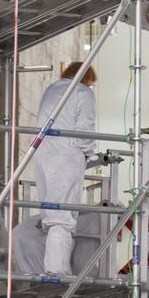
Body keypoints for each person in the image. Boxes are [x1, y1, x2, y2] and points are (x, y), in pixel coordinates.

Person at [34, 61, 97, 276]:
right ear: (87, 78)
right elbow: (85, 130)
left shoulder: (51, 89)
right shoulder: (82, 92)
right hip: (66, 155)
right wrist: (90, 153)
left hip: (43, 154)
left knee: (51, 214)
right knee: (62, 216)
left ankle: (54, 268)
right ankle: (57, 271)